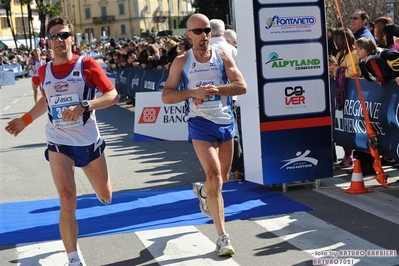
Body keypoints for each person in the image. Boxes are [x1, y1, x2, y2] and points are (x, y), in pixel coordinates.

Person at [4, 16, 119, 266]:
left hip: (88, 142)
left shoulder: (87, 65)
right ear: (48, 43)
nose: (59, 40)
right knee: (67, 198)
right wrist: (25, 120)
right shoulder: (43, 70)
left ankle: (101, 186)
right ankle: (73, 258)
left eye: (64, 35)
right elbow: (46, 100)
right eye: (53, 36)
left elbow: (112, 95)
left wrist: (84, 106)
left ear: (72, 39)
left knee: (106, 195)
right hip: (58, 142)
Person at [161, 13, 247, 256]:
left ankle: (202, 191)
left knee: (222, 179)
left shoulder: (222, 55)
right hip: (199, 124)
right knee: (215, 178)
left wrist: (215, 90)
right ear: (189, 35)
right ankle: (222, 237)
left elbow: (242, 86)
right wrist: (192, 92)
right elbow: (166, 96)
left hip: (225, 122)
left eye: (207, 30)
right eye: (198, 31)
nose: (204, 35)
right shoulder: (181, 61)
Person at [209, 19, 243, 181]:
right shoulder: (232, 49)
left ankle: (215, 170)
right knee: (232, 133)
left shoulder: (203, 50)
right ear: (223, 32)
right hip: (231, 97)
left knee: (209, 137)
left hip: (207, 99)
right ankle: (236, 170)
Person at [329, 28, 360, 168]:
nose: (334, 42)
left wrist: (336, 70)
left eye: (336, 39)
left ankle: (351, 157)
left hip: (351, 96)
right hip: (342, 95)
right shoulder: (341, 53)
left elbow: (354, 72)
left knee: (351, 126)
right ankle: (347, 156)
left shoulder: (352, 54)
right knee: (343, 126)